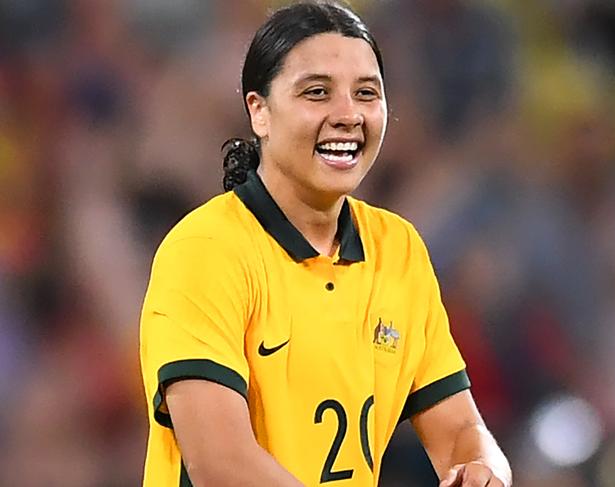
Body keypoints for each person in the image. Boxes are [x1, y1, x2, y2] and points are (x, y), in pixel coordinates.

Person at [139, 2, 512, 486]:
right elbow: (220, 464)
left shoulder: (397, 248)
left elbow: (462, 429)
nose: (348, 115)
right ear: (260, 112)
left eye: (366, 93)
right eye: (317, 93)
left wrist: (484, 469)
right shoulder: (206, 250)